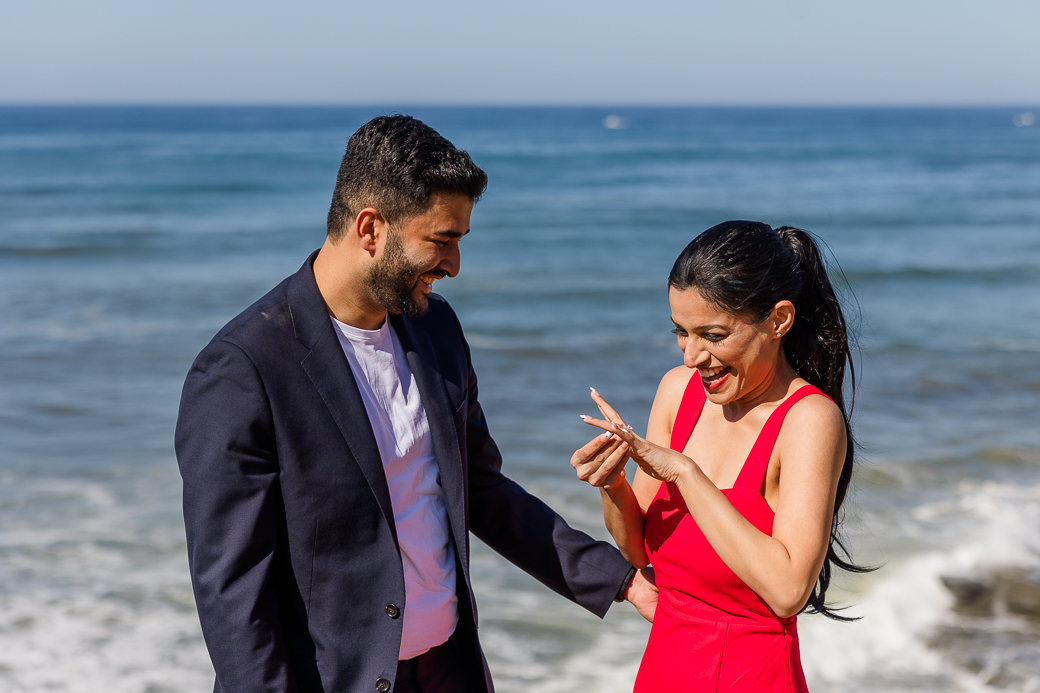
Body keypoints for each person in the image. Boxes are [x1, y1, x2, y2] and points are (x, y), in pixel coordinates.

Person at [175, 115, 656, 693]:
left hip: (450, 671)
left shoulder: (436, 329)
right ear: (371, 228)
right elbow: (233, 590)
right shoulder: (241, 369)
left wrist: (621, 581)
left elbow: (481, 489)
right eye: (442, 240)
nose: (454, 265)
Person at [570, 220, 867, 692]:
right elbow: (639, 550)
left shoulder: (809, 420)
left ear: (778, 320)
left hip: (753, 675)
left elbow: (789, 591)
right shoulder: (676, 392)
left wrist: (686, 474)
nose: (692, 356)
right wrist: (614, 485)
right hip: (664, 669)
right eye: (681, 333)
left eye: (712, 334)